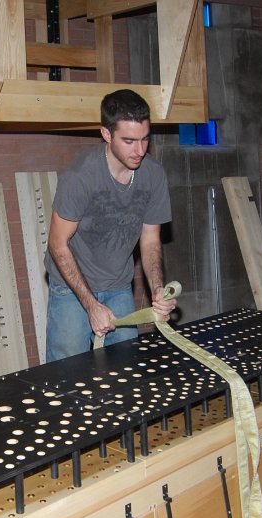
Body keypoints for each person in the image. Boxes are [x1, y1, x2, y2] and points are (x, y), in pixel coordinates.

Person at [43, 88, 178, 361]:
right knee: (66, 375)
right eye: (129, 141)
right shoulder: (81, 177)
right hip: (71, 287)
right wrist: (91, 305)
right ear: (106, 134)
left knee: (125, 373)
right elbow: (58, 245)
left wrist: (158, 290)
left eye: (145, 139)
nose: (139, 150)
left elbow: (151, 240)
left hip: (118, 285)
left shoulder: (153, 176)